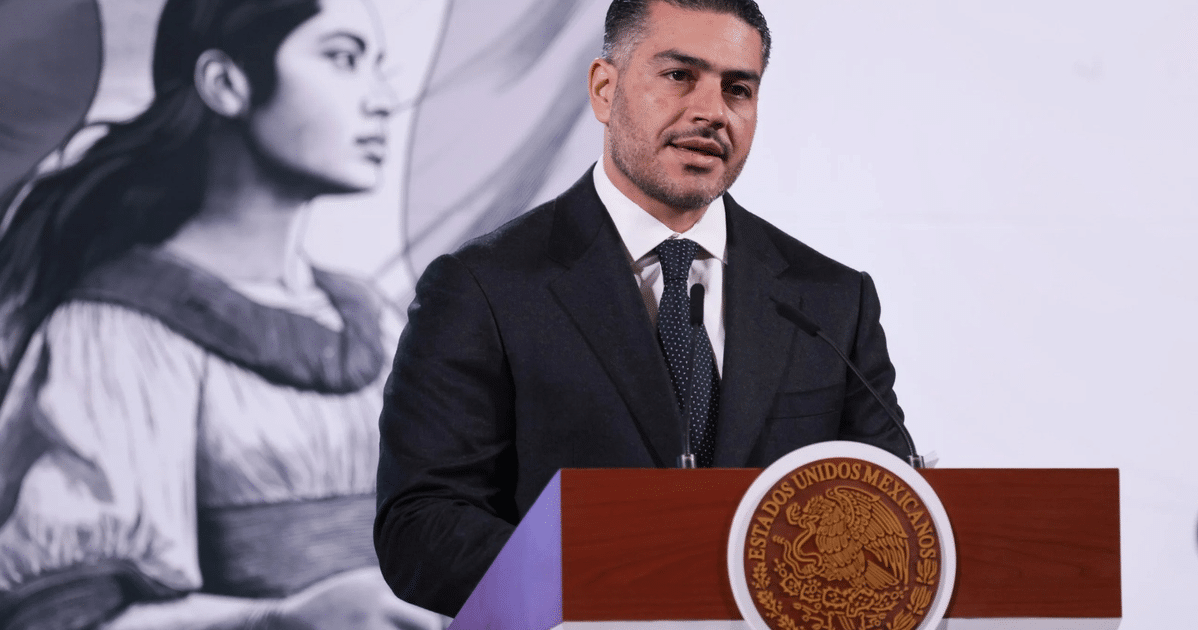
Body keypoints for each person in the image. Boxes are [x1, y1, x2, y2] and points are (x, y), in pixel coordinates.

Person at [375, 0, 915, 617]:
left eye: (738, 88)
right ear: (605, 89)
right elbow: (420, 525)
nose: (712, 111)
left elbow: (889, 509)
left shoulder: (831, 300)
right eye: (679, 75)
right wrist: (616, 590)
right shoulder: (482, 287)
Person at [0, 0, 444, 628]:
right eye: (342, 59)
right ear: (226, 83)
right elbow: (64, 613)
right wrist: (281, 620)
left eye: (378, 66)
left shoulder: (375, 318)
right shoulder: (117, 332)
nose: (379, 99)